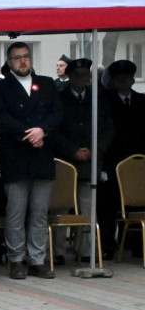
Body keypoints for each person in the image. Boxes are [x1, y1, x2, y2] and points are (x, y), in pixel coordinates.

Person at [0, 42, 63, 280]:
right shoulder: (1, 87)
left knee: (39, 213)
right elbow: (0, 117)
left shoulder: (47, 84)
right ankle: (16, 259)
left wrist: (43, 131)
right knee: (16, 212)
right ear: (9, 62)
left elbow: (58, 113)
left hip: (42, 155)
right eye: (17, 58)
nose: (23, 61)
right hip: (16, 156)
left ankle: (38, 259)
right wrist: (29, 135)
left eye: (26, 56)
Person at [53, 58, 113, 261]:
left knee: (87, 206)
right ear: (69, 76)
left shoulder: (98, 99)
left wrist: (95, 151)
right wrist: (72, 151)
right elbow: (55, 130)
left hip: (90, 161)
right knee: (61, 206)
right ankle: (58, 251)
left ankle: (85, 250)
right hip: (66, 161)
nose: (83, 79)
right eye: (78, 75)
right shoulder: (60, 98)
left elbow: (107, 129)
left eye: (86, 75)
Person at [103, 60, 145, 258]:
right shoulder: (106, 100)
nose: (123, 81)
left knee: (138, 203)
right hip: (113, 158)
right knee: (109, 204)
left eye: (126, 78)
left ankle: (136, 245)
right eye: (119, 78)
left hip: (138, 160)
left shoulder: (142, 100)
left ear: (132, 80)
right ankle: (108, 246)